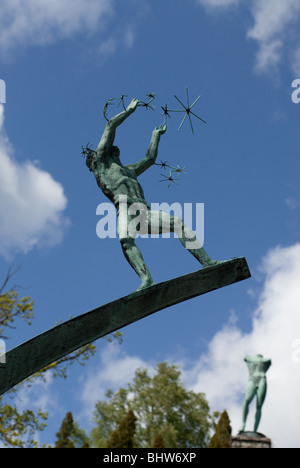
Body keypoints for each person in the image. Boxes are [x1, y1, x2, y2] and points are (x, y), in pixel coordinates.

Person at [86, 98, 219, 291]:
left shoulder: (128, 170)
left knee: (178, 223)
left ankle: (207, 262)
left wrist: (155, 136)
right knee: (125, 239)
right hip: (125, 208)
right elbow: (110, 126)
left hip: (144, 211)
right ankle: (146, 280)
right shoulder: (101, 166)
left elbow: (149, 159)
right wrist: (128, 111)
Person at [240, 354, 272, 433]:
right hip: (252, 379)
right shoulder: (249, 358)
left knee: (259, 405)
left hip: (262, 379)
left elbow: (269, 361)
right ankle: (243, 424)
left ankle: (255, 429)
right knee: (246, 400)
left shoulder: (266, 360)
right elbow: (245, 358)